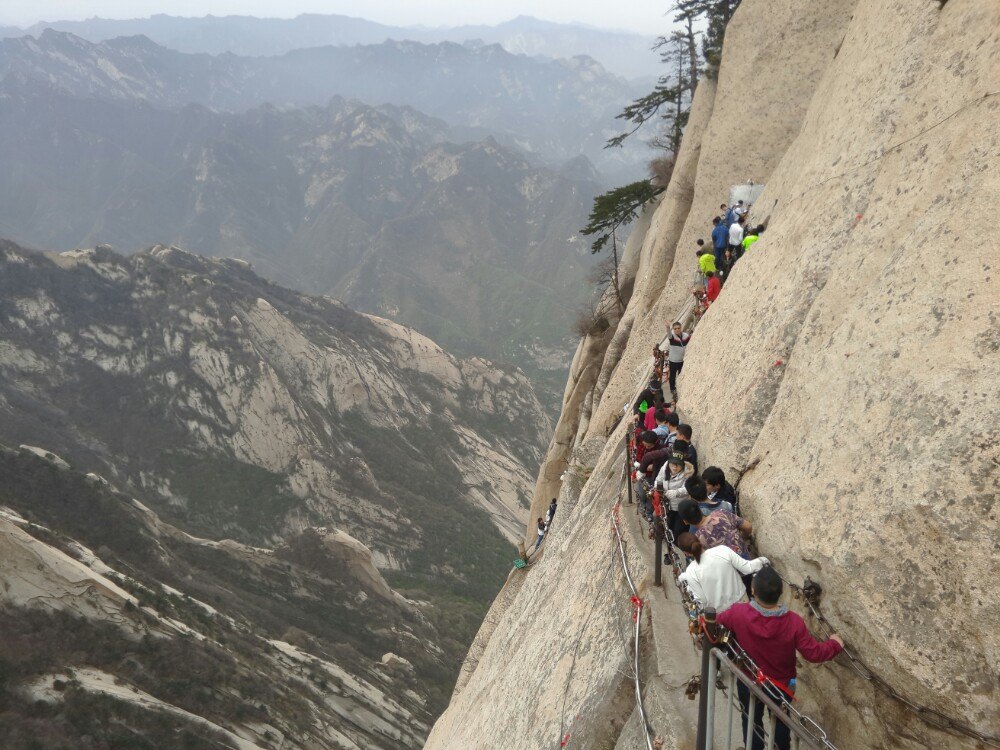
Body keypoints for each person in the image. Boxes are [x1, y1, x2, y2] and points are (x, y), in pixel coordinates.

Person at [717, 567, 843, 750]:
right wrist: (835, 644)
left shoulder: (738, 613)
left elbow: (717, 622)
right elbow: (814, 653)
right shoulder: (794, 622)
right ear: (780, 593)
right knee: (782, 721)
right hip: (783, 685)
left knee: (750, 719)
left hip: (748, 679)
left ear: (753, 590)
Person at [676, 532, 768, 613]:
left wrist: (690, 587)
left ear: (686, 553)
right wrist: (763, 560)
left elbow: (702, 600)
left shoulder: (691, 571)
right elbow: (747, 568)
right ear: (699, 541)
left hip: (721, 613)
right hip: (742, 602)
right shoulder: (722, 550)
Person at [678, 499, 753, 559]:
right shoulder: (721, 513)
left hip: (732, 574)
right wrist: (742, 538)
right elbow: (748, 526)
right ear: (700, 509)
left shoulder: (697, 539)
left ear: (685, 522)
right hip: (747, 561)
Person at [655, 455, 694, 535]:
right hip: (667, 505)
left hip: (680, 506)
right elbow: (659, 479)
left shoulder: (688, 472)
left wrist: (676, 492)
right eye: (672, 464)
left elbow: (687, 488)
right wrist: (657, 486)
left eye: (678, 465)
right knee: (667, 526)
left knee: (678, 530)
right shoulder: (665, 466)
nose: (675, 468)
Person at [665, 322, 690, 401]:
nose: (677, 330)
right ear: (673, 329)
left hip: (682, 360)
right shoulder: (672, 337)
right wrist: (668, 328)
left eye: (678, 328)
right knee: (672, 376)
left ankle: (681, 387)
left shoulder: (686, 336)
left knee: (681, 375)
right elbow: (669, 335)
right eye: (675, 329)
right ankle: (672, 389)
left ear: (681, 328)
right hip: (673, 360)